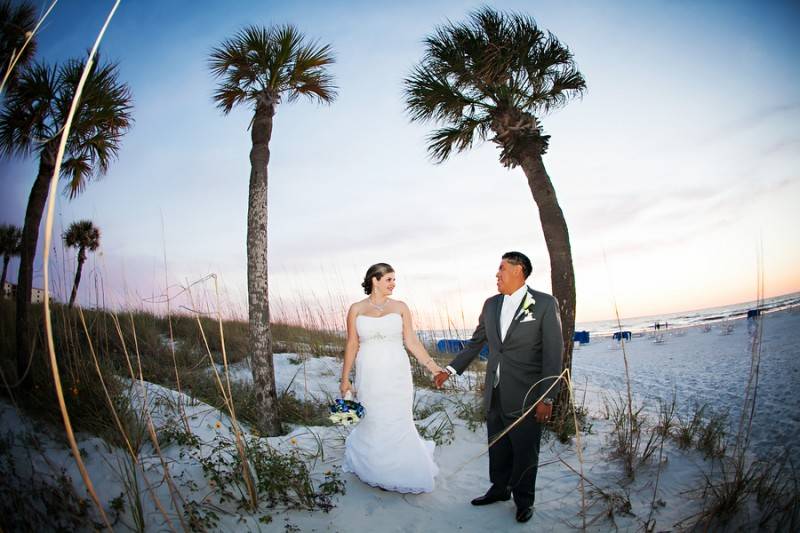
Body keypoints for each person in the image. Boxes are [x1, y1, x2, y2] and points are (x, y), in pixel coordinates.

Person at [435, 251, 563, 523]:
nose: (497, 275)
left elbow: (553, 354)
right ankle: (499, 489)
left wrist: (547, 397)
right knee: (498, 444)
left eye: (502, 269)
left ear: (519, 270)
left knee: (526, 449)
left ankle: (524, 500)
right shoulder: (491, 305)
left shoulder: (543, 304)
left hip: (528, 393)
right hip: (495, 390)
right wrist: (450, 369)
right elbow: (476, 342)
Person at [340, 262, 443, 493]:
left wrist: (433, 367)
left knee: (397, 417)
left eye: (394, 280)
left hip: (396, 372)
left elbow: (412, 342)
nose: (393, 284)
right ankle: (374, 467)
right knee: (373, 417)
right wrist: (344, 378)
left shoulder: (400, 307)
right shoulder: (356, 309)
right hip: (369, 372)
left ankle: (402, 468)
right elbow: (352, 344)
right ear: (374, 280)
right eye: (389, 279)